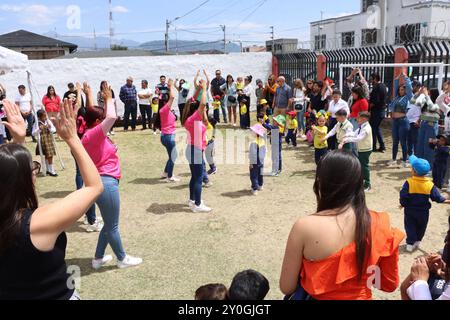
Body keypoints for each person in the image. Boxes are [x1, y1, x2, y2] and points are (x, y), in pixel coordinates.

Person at [0, 99, 103, 300]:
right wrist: (72, 138)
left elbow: (9, 177)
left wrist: (17, 142)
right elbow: (94, 186)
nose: (36, 173)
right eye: (34, 169)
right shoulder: (38, 223)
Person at [280, 150, 405, 300]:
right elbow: (387, 284)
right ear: (359, 183)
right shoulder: (378, 223)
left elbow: (287, 286)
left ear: (321, 182)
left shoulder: (304, 226)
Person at [81, 83, 142, 269]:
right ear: (99, 122)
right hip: (106, 182)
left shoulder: (90, 133)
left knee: (108, 223)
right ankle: (122, 259)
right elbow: (112, 116)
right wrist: (108, 97)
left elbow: (93, 114)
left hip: (103, 181)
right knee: (112, 225)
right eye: (102, 118)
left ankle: (98, 259)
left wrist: (89, 94)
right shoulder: (94, 134)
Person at [400, 155, 450, 253]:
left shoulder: (409, 182)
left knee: (410, 226)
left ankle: (410, 243)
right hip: (423, 212)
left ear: (413, 171)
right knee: (421, 226)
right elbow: (437, 198)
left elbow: (403, 196)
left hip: (410, 210)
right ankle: (418, 240)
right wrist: (445, 199)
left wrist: (403, 204)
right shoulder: (430, 184)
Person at [181, 79, 212, 213]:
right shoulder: (193, 118)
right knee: (198, 177)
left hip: (192, 149)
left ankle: (192, 200)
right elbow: (203, 104)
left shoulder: (189, 118)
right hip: (195, 150)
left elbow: (191, 101)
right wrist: (205, 89)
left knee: (194, 176)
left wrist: (199, 90)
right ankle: (198, 205)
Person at [341, 111, 373, 191]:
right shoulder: (362, 126)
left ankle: (367, 184)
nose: (356, 119)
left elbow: (358, 138)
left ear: (364, 119)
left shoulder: (366, 128)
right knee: (361, 165)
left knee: (364, 166)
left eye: (358, 117)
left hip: (365, 149)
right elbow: (355, 133)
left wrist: (347, 140)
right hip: (362, 149)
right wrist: (348, 135)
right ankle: (362, 181)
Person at [388, 72, 413, 168]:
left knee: (403, 141)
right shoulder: (396, 97)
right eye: (400, 89)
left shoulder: (408, 97)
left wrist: (405, 78)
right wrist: (397, 78)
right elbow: (395, 85)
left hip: (403, 121)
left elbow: (409, 88)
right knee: (395, 141)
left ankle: (404, 160)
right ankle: (393, 159)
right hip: (395, 121)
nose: (401, 91)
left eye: (403, 89)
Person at [159, 79, 180, 183]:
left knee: (171, 156)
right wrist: (171, 86)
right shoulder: (164, 109)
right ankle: (170, 176)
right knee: (173, 156)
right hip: (168, 136)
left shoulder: (165, 110)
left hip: (166, 136)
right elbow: (172, 97)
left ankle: (165, 173)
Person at [415, 87, 441, 169]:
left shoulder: (437, 103)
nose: (428, 95)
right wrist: (419, 93)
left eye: (429, 93)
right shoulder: (426, 102)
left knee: (429, 147)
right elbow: (415, 103)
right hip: (424, 124)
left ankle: (429, 167)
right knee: (420, 145)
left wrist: (426, 95)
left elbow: (432, 108)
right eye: (428, 93)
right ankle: (419, 166)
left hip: (431, 126)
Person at [34, 110, 58, 177]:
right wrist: (39, 129)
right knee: (46, 155)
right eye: (44, 116)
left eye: (46, 116)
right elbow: (33, 133)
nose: (45, 118)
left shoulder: (48, 122)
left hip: (49, 140)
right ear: (39, 117)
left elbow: (54, 130)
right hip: (42, 141)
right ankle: (49, 170)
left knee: (50, 155)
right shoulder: (37, 123)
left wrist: (50, 128)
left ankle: (51, 170)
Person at [369, 73, 387, 153]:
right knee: (377, 128)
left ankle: (373, 146)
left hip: (376, 111)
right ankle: (382, 146)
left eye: (371, 79)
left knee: (373, 129)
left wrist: (368, 107)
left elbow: (375, 101)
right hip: (381, 111)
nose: (371, 81)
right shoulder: (383, 86)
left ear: (375, 78)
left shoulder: (377, 87)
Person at [406, 82, 423, 157]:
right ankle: (410, 155)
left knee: (415, 141)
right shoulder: (411, 96)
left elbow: (423, 110)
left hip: (415, 121)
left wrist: (419, 120)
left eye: (413, 86)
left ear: (418, 87)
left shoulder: (422, 97)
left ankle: (416, 156)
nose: (412, 87)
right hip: (408, 121)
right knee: (409, 140)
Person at [249, 123, 266, 196]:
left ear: (256, 133)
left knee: (254, 175)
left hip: (255, 161)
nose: (251, 132)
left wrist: (251, 163)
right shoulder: (263, 141)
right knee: (260, 173)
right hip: (261, 160)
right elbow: (265, 151)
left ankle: (255, 188)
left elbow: (253, 154)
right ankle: (260, 185)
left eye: (252, 131)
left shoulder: (253, 142)